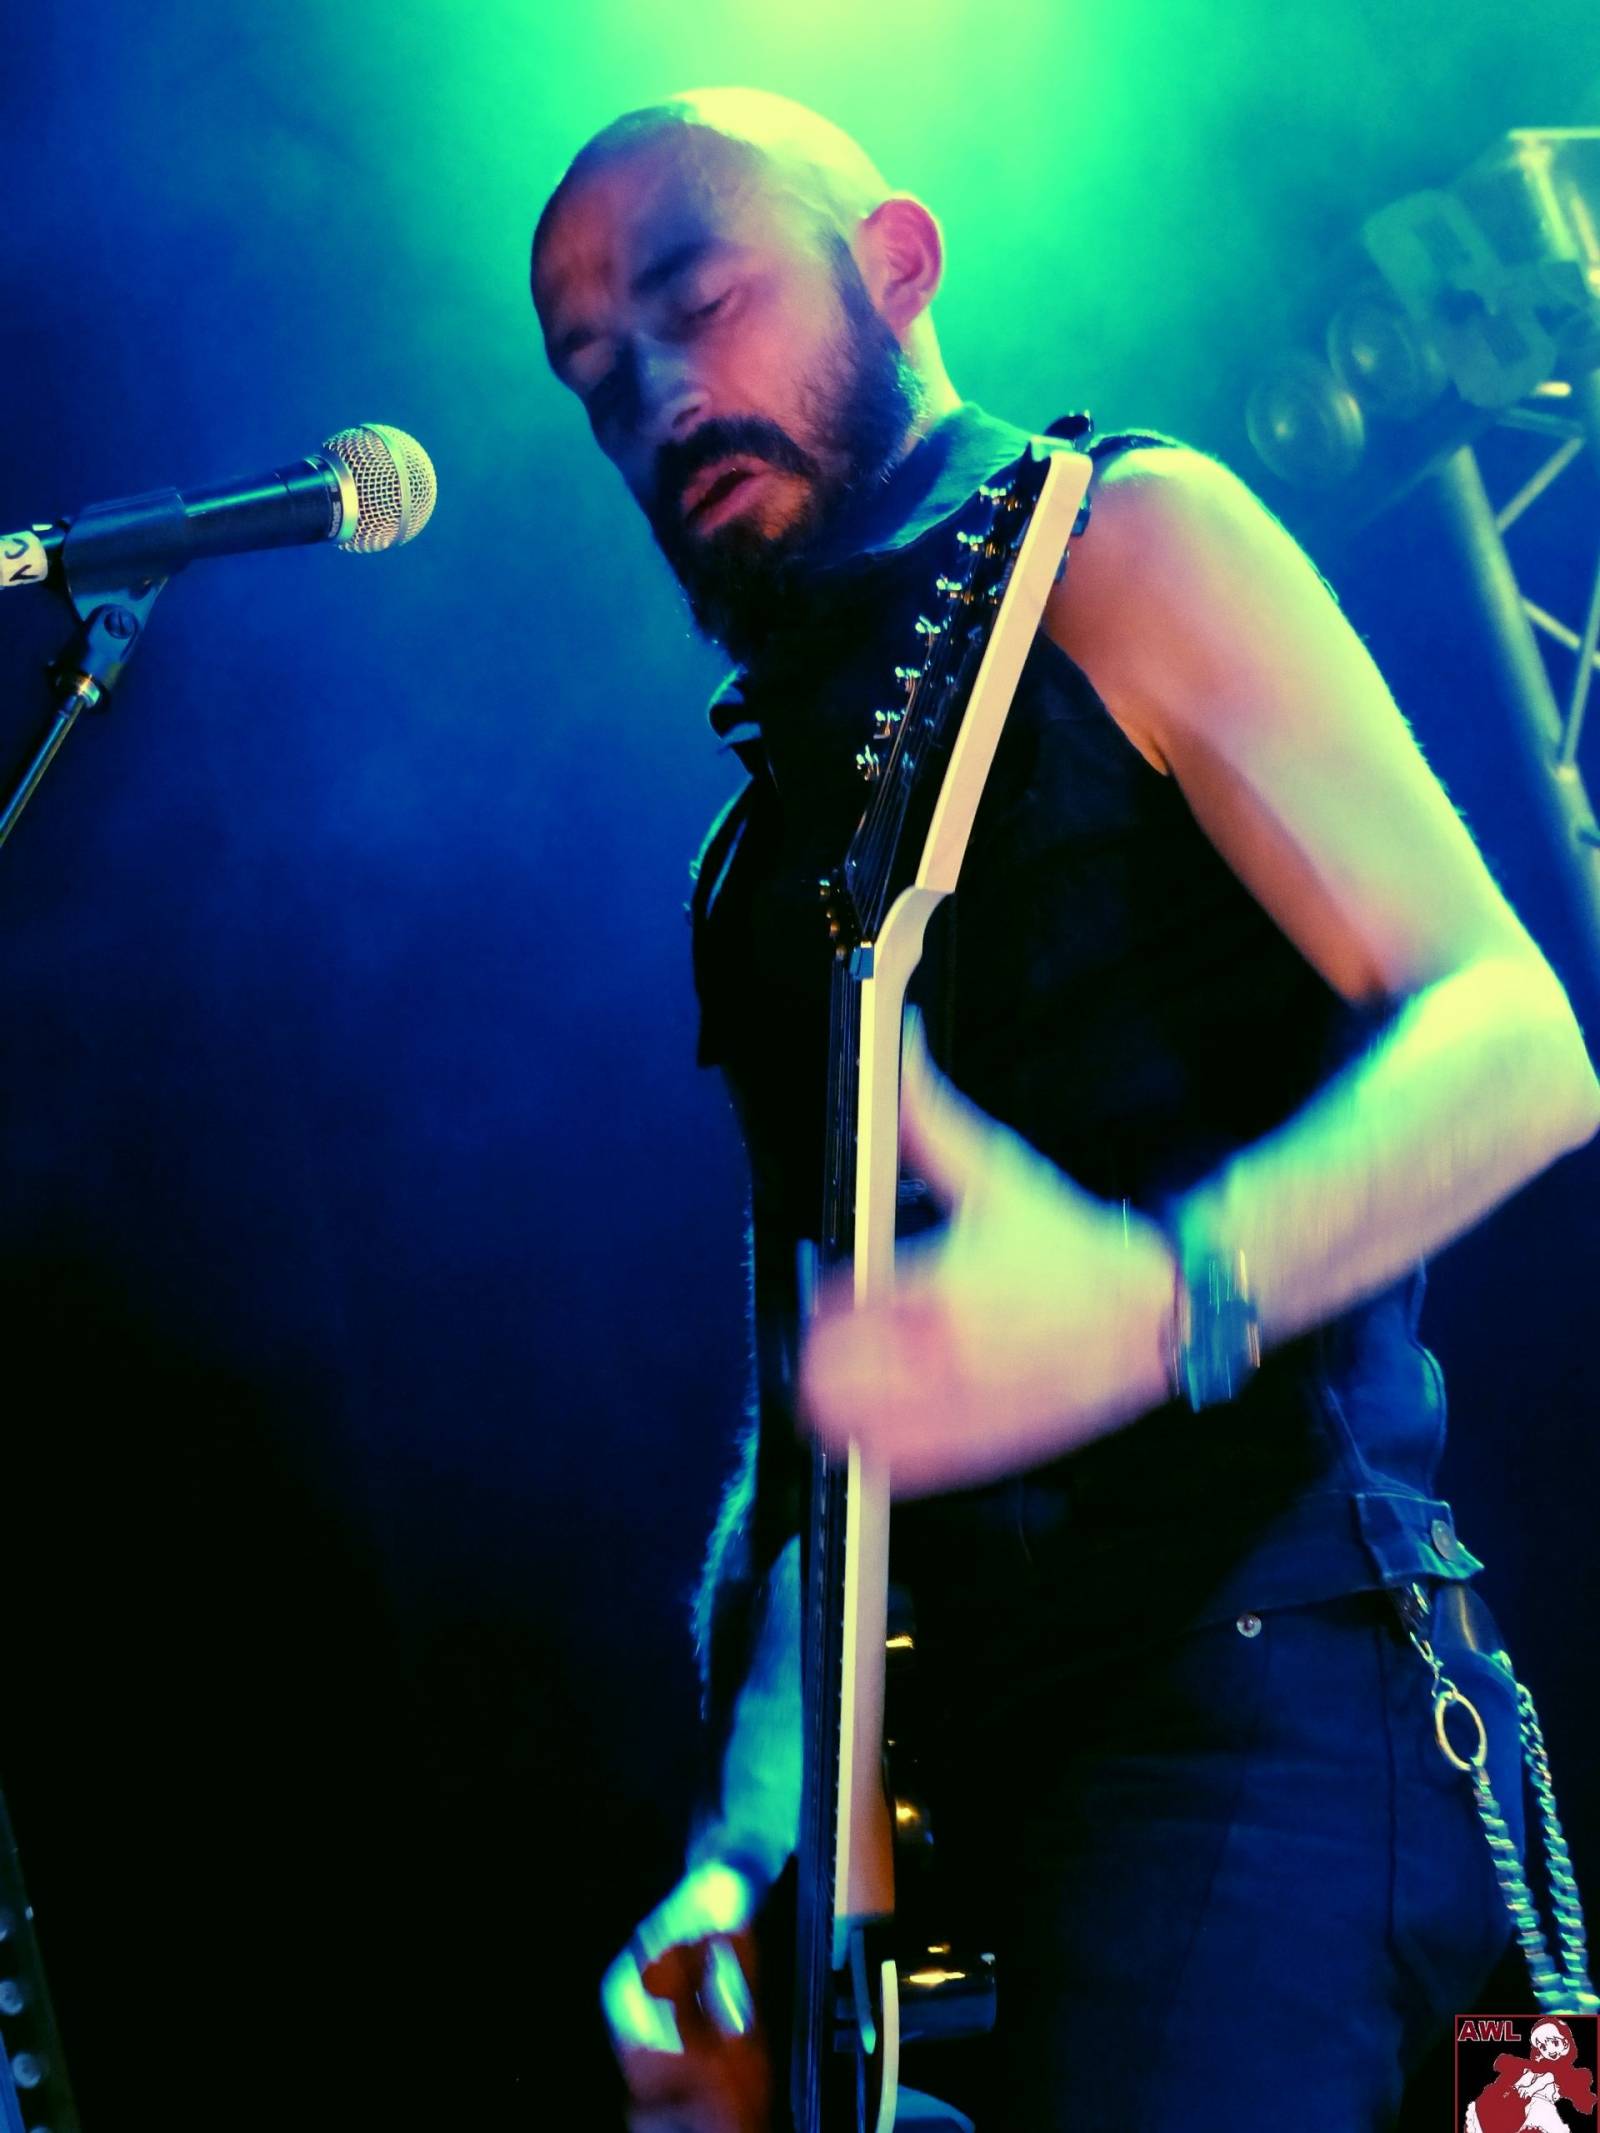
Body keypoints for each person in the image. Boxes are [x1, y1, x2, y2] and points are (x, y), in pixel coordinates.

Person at [530, 88, 1600, 2131]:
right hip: (1003, 1805)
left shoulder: (1122, 540)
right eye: (593, 371)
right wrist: (739, 1862)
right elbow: (820, 1461)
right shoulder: (752, 870)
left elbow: (1515, 1034)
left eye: (697, 299)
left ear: (896, 266)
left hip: (1295, 1700)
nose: (652, 394)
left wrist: (1156, 1291)